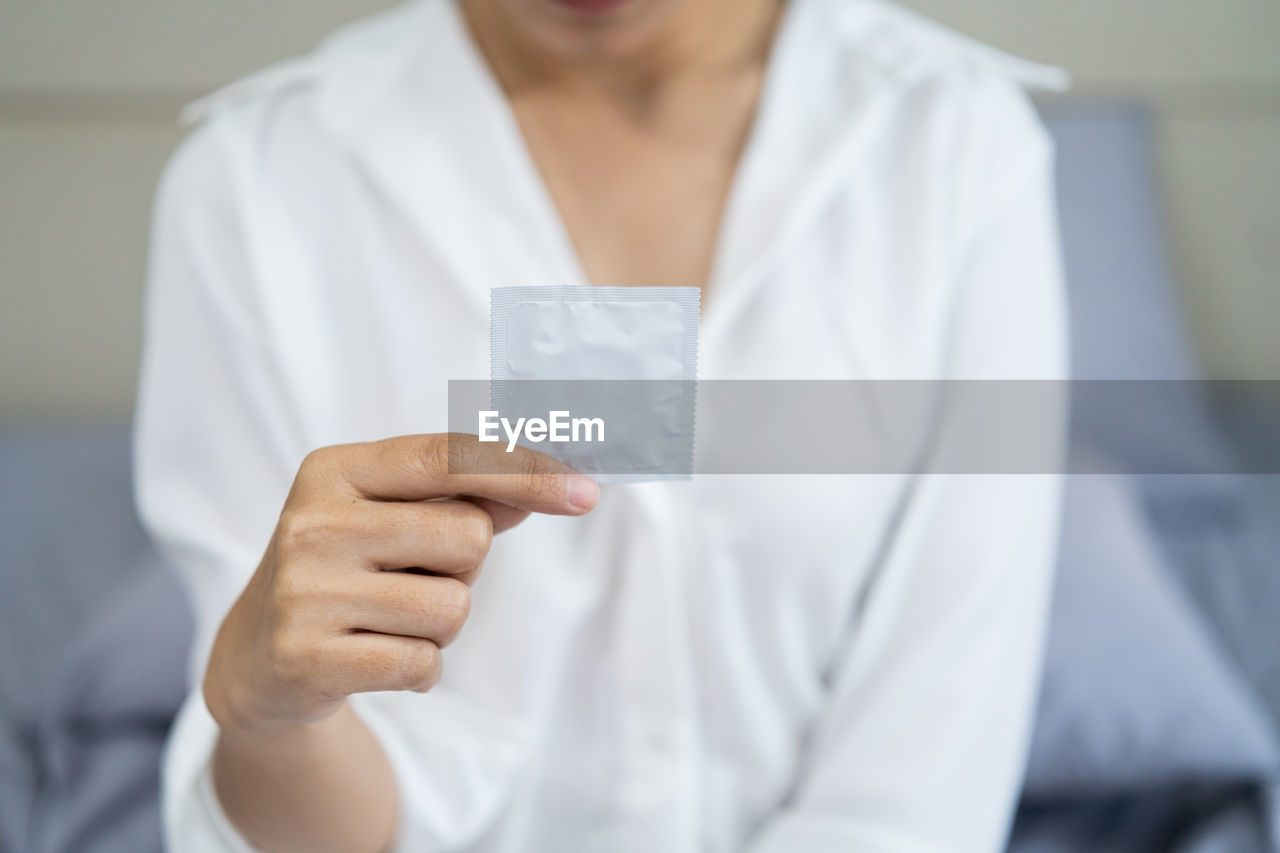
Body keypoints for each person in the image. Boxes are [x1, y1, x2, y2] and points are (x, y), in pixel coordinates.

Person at [134, 0, 1069, 850]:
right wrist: (264, 715)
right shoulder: (256, 186)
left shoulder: (953, 146)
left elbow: (923, 780)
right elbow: (310, 806)